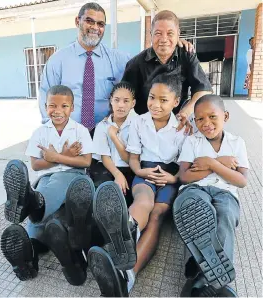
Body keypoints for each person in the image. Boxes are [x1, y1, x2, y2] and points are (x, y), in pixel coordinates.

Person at [88, 69, 186, 296]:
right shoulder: (139, 123)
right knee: (143, 198)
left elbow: (187, 166)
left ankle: (127, 276)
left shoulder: (183, 128)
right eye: (152, 98)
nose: (156, 105)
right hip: (145, 169)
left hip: (171, 175)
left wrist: (173, 178)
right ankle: (127, 229)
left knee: (157, 216)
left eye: (164, 100)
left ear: (176, 102)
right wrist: (140, 170)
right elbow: (132, 157)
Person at [39, 3, 193, 130]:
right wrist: (54, 133)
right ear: (77, 21)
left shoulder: (120, 60)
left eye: (100, 24)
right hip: (67, 132)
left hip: (107, 133)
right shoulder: (57, 61)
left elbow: (148, 61)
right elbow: (46, 101)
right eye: (89, 21)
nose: (94, 27)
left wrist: (174, 46)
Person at [0, 85, 95, 286]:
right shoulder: (40, 132)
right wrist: (66, 157)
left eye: (64, 105)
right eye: (52, 105)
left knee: (50, 189)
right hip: (47, 177)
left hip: (74, 177)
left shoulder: (80, 131)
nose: (57, 110)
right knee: (42, 198)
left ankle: (31, 204)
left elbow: (86, 162)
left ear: (72, 107)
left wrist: (56, 157)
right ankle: (29, 258)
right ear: (45, 106)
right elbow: (36, 164)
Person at [173, 95, 249, 297]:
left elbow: (241, 180)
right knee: (196, 213)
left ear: (225, 116)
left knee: (225, 216)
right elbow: (184, 176)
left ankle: (203, 276)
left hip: (226, 191)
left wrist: (212, 163)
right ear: (194, 121)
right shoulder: (192, 141)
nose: (206, 124)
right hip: (195, 190)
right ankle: (211, 281)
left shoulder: (236, 142)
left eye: (212, 117)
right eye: (200, 119)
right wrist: (220, 164)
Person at [122, 10, 213, 132]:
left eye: (170, 33)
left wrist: (185, 112)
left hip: (178, 126)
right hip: (146, 130)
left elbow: (204, 90)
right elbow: (124, 97)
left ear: (178, 34)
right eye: (158, 33)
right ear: (151, 34)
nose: (164, 39)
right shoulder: (136, 64)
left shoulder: (186, 56)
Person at [91, 81, 137, 207]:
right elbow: (104, 157)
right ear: (111, 101)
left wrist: (114, 137)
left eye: (126, 101)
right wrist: (117, 174)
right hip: (107, 167)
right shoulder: (102, 125)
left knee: (122, 199)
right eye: (116, 100)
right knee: (101, 193)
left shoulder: (138, 124)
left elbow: (129, 159)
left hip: (130, 168)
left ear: (133, 103)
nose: (120, 105)